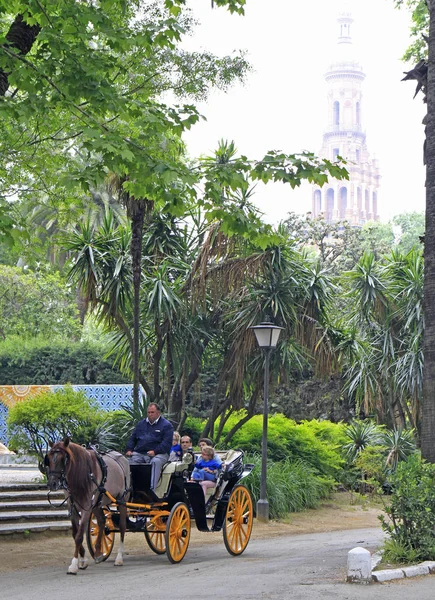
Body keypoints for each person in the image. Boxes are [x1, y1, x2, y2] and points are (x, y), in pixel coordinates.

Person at [125, 402, 173, 490]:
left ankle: (151, 490)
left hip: (160, 454)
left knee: (155, 462)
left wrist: (155, 451)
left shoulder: (166, 425)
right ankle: (130, 489)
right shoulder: (141, 424)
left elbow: (166, 443)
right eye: (149, 412)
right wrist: (129, 449)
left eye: (152, 412)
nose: (150, 414)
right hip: (140, 453)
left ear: (158, 413)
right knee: (129, 462)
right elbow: (133, 438)